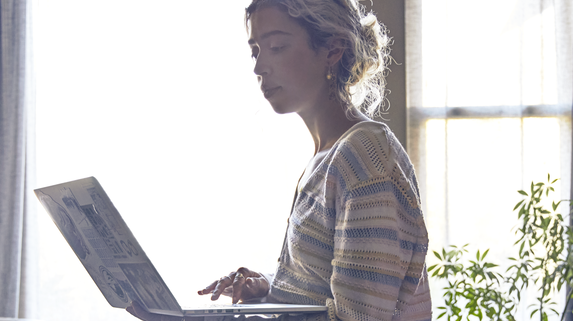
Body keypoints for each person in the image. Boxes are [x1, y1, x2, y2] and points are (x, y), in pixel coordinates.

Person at [128, 0, 431, 320]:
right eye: (255, 51)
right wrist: (270, 289)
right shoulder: (327, 157)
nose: (259, 67)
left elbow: (359, 317)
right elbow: (323, 294)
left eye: (276, 47)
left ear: (332, 50)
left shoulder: (364, 159)